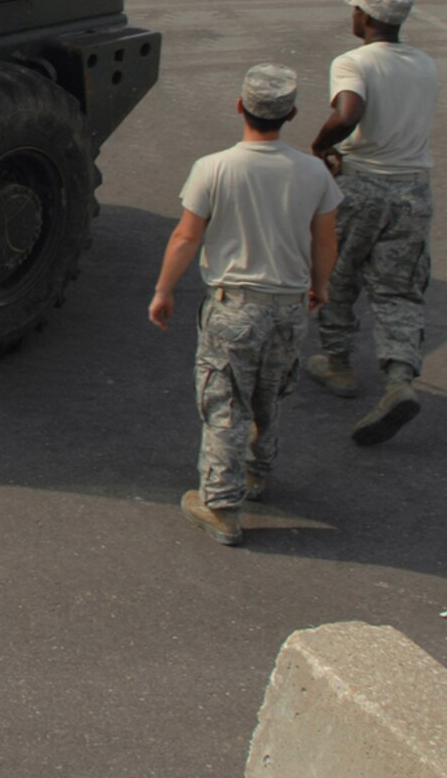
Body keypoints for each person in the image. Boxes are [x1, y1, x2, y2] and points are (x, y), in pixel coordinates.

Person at [150, 63, 340, 547]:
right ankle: (256, 475)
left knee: (224, 402)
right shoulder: (314, 172)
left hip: (233, 306)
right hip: (289, 305)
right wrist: (320, 286)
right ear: (292, 113)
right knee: (269, 393)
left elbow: (186, 236)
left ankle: (221, 505)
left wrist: (164, 290)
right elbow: (324, 241)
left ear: (240, 106)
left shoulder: (214, 167)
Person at [307, 0, 440, 445]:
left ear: (365, 17)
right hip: (414, 192)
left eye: (356, 10)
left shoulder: (354, 62)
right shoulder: (425, 63)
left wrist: (323, 144)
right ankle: (400, 377)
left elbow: (347, 113)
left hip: (364, 183)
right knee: (399, 289)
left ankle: (337, 363)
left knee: (338, 273)